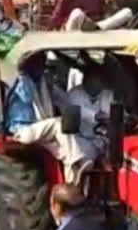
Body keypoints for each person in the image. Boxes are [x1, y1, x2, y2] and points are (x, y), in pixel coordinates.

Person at [8, 53, 99, 183]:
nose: (42, 67)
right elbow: (26, 96)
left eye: (42, 62)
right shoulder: (20, 82)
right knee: (60, 124)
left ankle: (72, 183)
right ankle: (77, 164)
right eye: (38, 62)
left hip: (43, 129)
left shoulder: (44, 83)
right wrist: (22, 73)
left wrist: (92, 115)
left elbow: (65, 100)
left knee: (70, 146)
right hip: (23, 130)